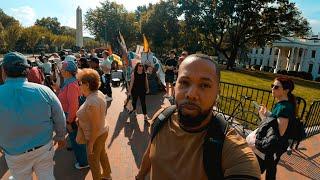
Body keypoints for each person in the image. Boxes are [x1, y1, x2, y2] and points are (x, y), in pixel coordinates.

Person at [136, 54, 260, 180]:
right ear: (175, 86)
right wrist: (139, 176)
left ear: (218, 92)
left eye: (204, 85)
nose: (191, 94)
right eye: (184, 82)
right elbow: (150, 153)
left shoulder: (232, 152)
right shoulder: (161, 118)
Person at [0, 52, 67, 180]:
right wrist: (60, 136)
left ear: (4, 70)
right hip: (43, 147)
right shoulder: (44, 90)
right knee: (47, 176)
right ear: (27, 70)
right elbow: (59, 115)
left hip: (14, 153)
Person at [253, 76, 297, 180]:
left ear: (286, 90)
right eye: (272, 86)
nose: (272, 89)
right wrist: (267, 113)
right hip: (275, 144)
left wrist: (263, 117)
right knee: (270, 168)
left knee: (256, 168)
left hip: (274, 145)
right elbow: (276, 119)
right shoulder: (282, 104)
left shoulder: (284, 108)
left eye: (276, 87)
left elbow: (280, 132)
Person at [76, 68, 112, 180]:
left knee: (93, 161)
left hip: (95, 135)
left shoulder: (92, 101)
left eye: (80, 83)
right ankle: (107, 174)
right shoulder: (98, 93)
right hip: (102, 131)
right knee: (102, 154)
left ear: (86, 85)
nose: (79, 85)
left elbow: (95, 126)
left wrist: (91, 143)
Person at [55, 57, 89, 169]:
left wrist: (69, 121)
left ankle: (83, 162)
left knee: (77, 141)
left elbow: (73, 105)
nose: (61, 71)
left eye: (62, 70)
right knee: (76, 139)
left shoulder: (71, 85)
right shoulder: (69, 82)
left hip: (71, 117)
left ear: (68, 72)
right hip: (69, 116)